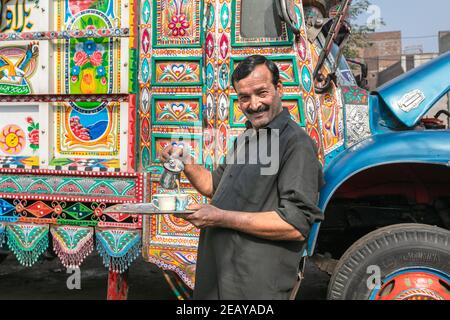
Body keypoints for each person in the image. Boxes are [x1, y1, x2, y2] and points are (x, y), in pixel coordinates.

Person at [161, 55, 324, 299]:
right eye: (245, 97)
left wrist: (220, 218)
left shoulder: (295, 144)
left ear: (279, 89)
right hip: (219, 279)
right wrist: (186, 161)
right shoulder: (248, 138)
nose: (254, 104)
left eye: (262, 93)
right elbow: (213, 186)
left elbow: (295, 225)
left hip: (252, 287)